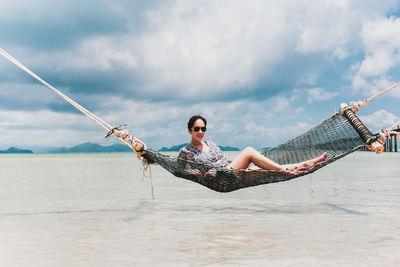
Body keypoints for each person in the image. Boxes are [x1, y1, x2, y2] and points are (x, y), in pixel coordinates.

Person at [178, 115, 327, 175]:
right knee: (249, 151)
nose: (200, 132)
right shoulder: (186, 151)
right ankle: (285, 170)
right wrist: (192, 172)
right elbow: (179, 170)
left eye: (203, 128)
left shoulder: (210, 143)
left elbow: (224, 160)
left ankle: (308, 163)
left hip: (231, 169)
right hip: (220, 177)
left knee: (269, 167)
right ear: (189, 130)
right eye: (197, 129)